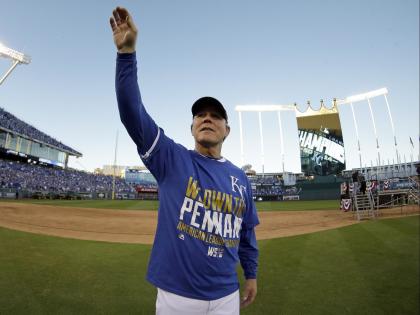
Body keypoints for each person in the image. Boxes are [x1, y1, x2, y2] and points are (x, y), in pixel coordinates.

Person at [110, 7, 259, 315]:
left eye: (216, 116)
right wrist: (127, 54)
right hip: (177, 297)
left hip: (227, 295)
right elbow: (131, 112)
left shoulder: (240, 178)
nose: (207, 119)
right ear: (191, 127)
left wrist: (252, 275)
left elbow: (246, 232)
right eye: (200, 115)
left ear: (226, 130)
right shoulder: (171, 158)